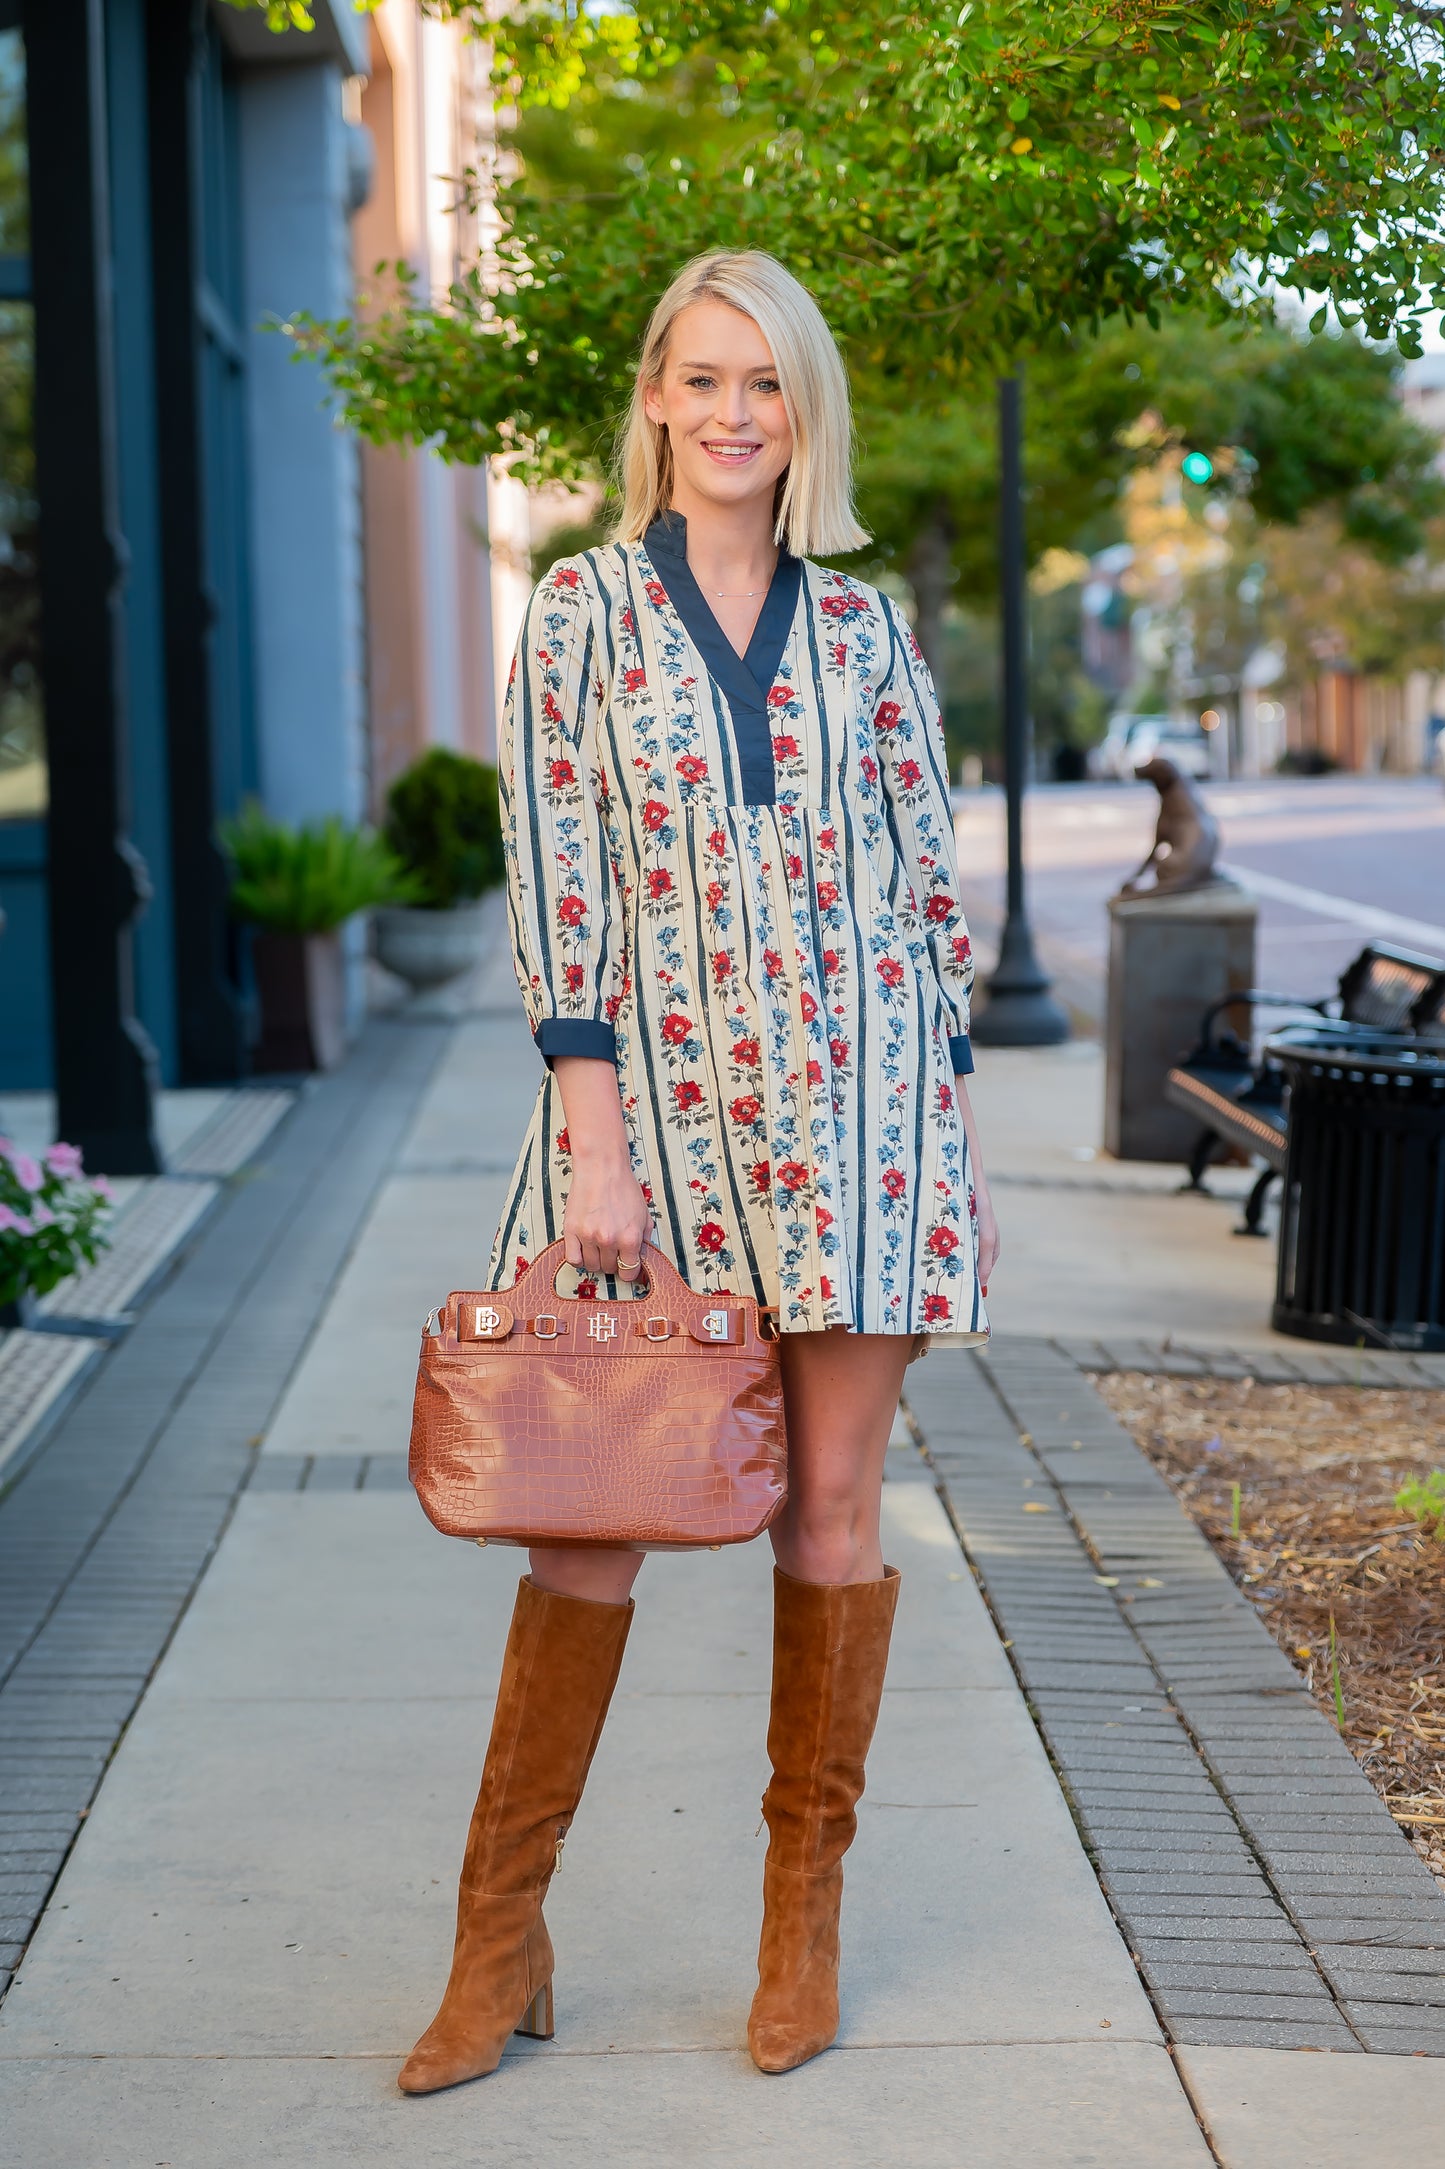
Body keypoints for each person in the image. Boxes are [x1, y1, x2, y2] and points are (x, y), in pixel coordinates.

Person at [398, 249, 1001, 2096]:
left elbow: (917, 861)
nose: (736, 412)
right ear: (654, 395)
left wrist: (933, 1094)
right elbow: (555, 856)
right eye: (706, 377)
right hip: (646, 1123)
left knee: (830, 1512)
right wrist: (589, 1119)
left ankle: (795, 1921)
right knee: (586, 1518)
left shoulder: (863, 629)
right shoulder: (578, 610)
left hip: (856, 1121)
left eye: (769, 384)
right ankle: (496, 1938)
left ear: (799, 413)